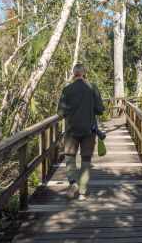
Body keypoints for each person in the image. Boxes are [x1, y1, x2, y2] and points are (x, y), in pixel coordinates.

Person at [57, 63, 105, 200]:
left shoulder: (67, 89)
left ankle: (73, 183)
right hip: (89, 130)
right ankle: (83, 191)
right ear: (84, 73)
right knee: (86, 159)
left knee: (70, 157)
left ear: (73, 73)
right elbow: (100, 110)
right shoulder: (92, 88)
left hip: (71, 131)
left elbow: (60, 113)